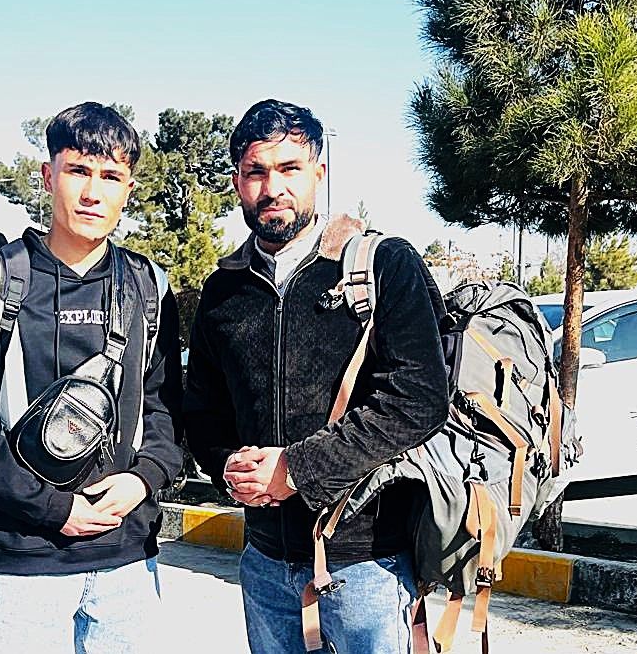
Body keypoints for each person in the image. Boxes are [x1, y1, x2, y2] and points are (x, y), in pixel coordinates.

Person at [183, 99, 450, 654]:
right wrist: (229, 468)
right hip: (264, 564)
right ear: (237, 182)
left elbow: (418, 399)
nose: (273, 188)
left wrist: (296, 469)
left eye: (290, 169)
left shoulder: (383, 264)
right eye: (256, 171)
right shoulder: (224, 290)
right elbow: (203, 412)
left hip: (369, 565)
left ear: (319, 173)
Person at [0, 101, 183, 653]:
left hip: (128, 561)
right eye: (78, 171)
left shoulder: (149, 285)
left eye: (111, 176)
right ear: (48, 176)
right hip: (23, 564)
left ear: (129, 190)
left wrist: (143, 479)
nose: (93, 192)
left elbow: (164, 407)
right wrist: (53, 508)